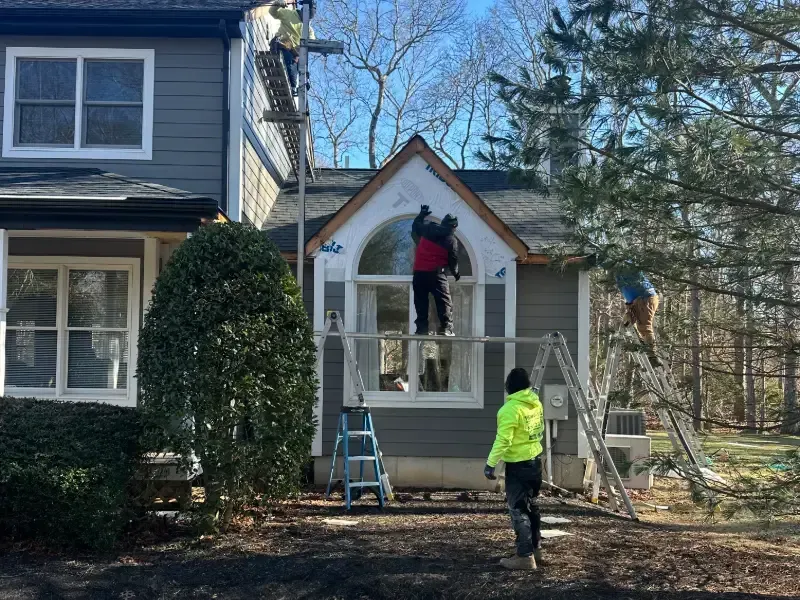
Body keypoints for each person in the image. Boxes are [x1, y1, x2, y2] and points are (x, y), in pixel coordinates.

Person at [484, 367, 545, 571]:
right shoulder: (535, 403)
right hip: (535, 461)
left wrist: (491, 463)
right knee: (532, 506)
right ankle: (536, 549)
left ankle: (524, 556)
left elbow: (504, 439)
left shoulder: (509, 410)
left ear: (509, 387)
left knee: (518, 510)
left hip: (518, 465)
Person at [411, 204, 460, 336]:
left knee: (420, 301)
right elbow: (453, 259)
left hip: (419, 274)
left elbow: (415, 227)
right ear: (453, 227)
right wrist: (456, 273)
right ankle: (446, 328)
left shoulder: (427, 229)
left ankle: (421, 329)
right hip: (436, 274)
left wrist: (421, 214)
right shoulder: (451, 240)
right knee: (444, 301)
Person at [614, 266, 661, 365]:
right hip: (636, 301)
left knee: (644, 327)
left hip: (645, 298)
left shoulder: (625, 263)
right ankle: (643, 343)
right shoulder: (618, 267)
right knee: (628, 323)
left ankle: (653, 357)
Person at [269, 0, 315, 96]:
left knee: (298, 69)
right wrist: (278, 4)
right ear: (303, 11)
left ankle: (293, 87)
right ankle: (289, 85)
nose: (307, 20)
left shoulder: (308, 30)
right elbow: (272, 12)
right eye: (307, 16)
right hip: (282, 45)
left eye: (309, 19)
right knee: (290, 63)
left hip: (295, 53)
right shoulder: (289, 14)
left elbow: (312, 43)